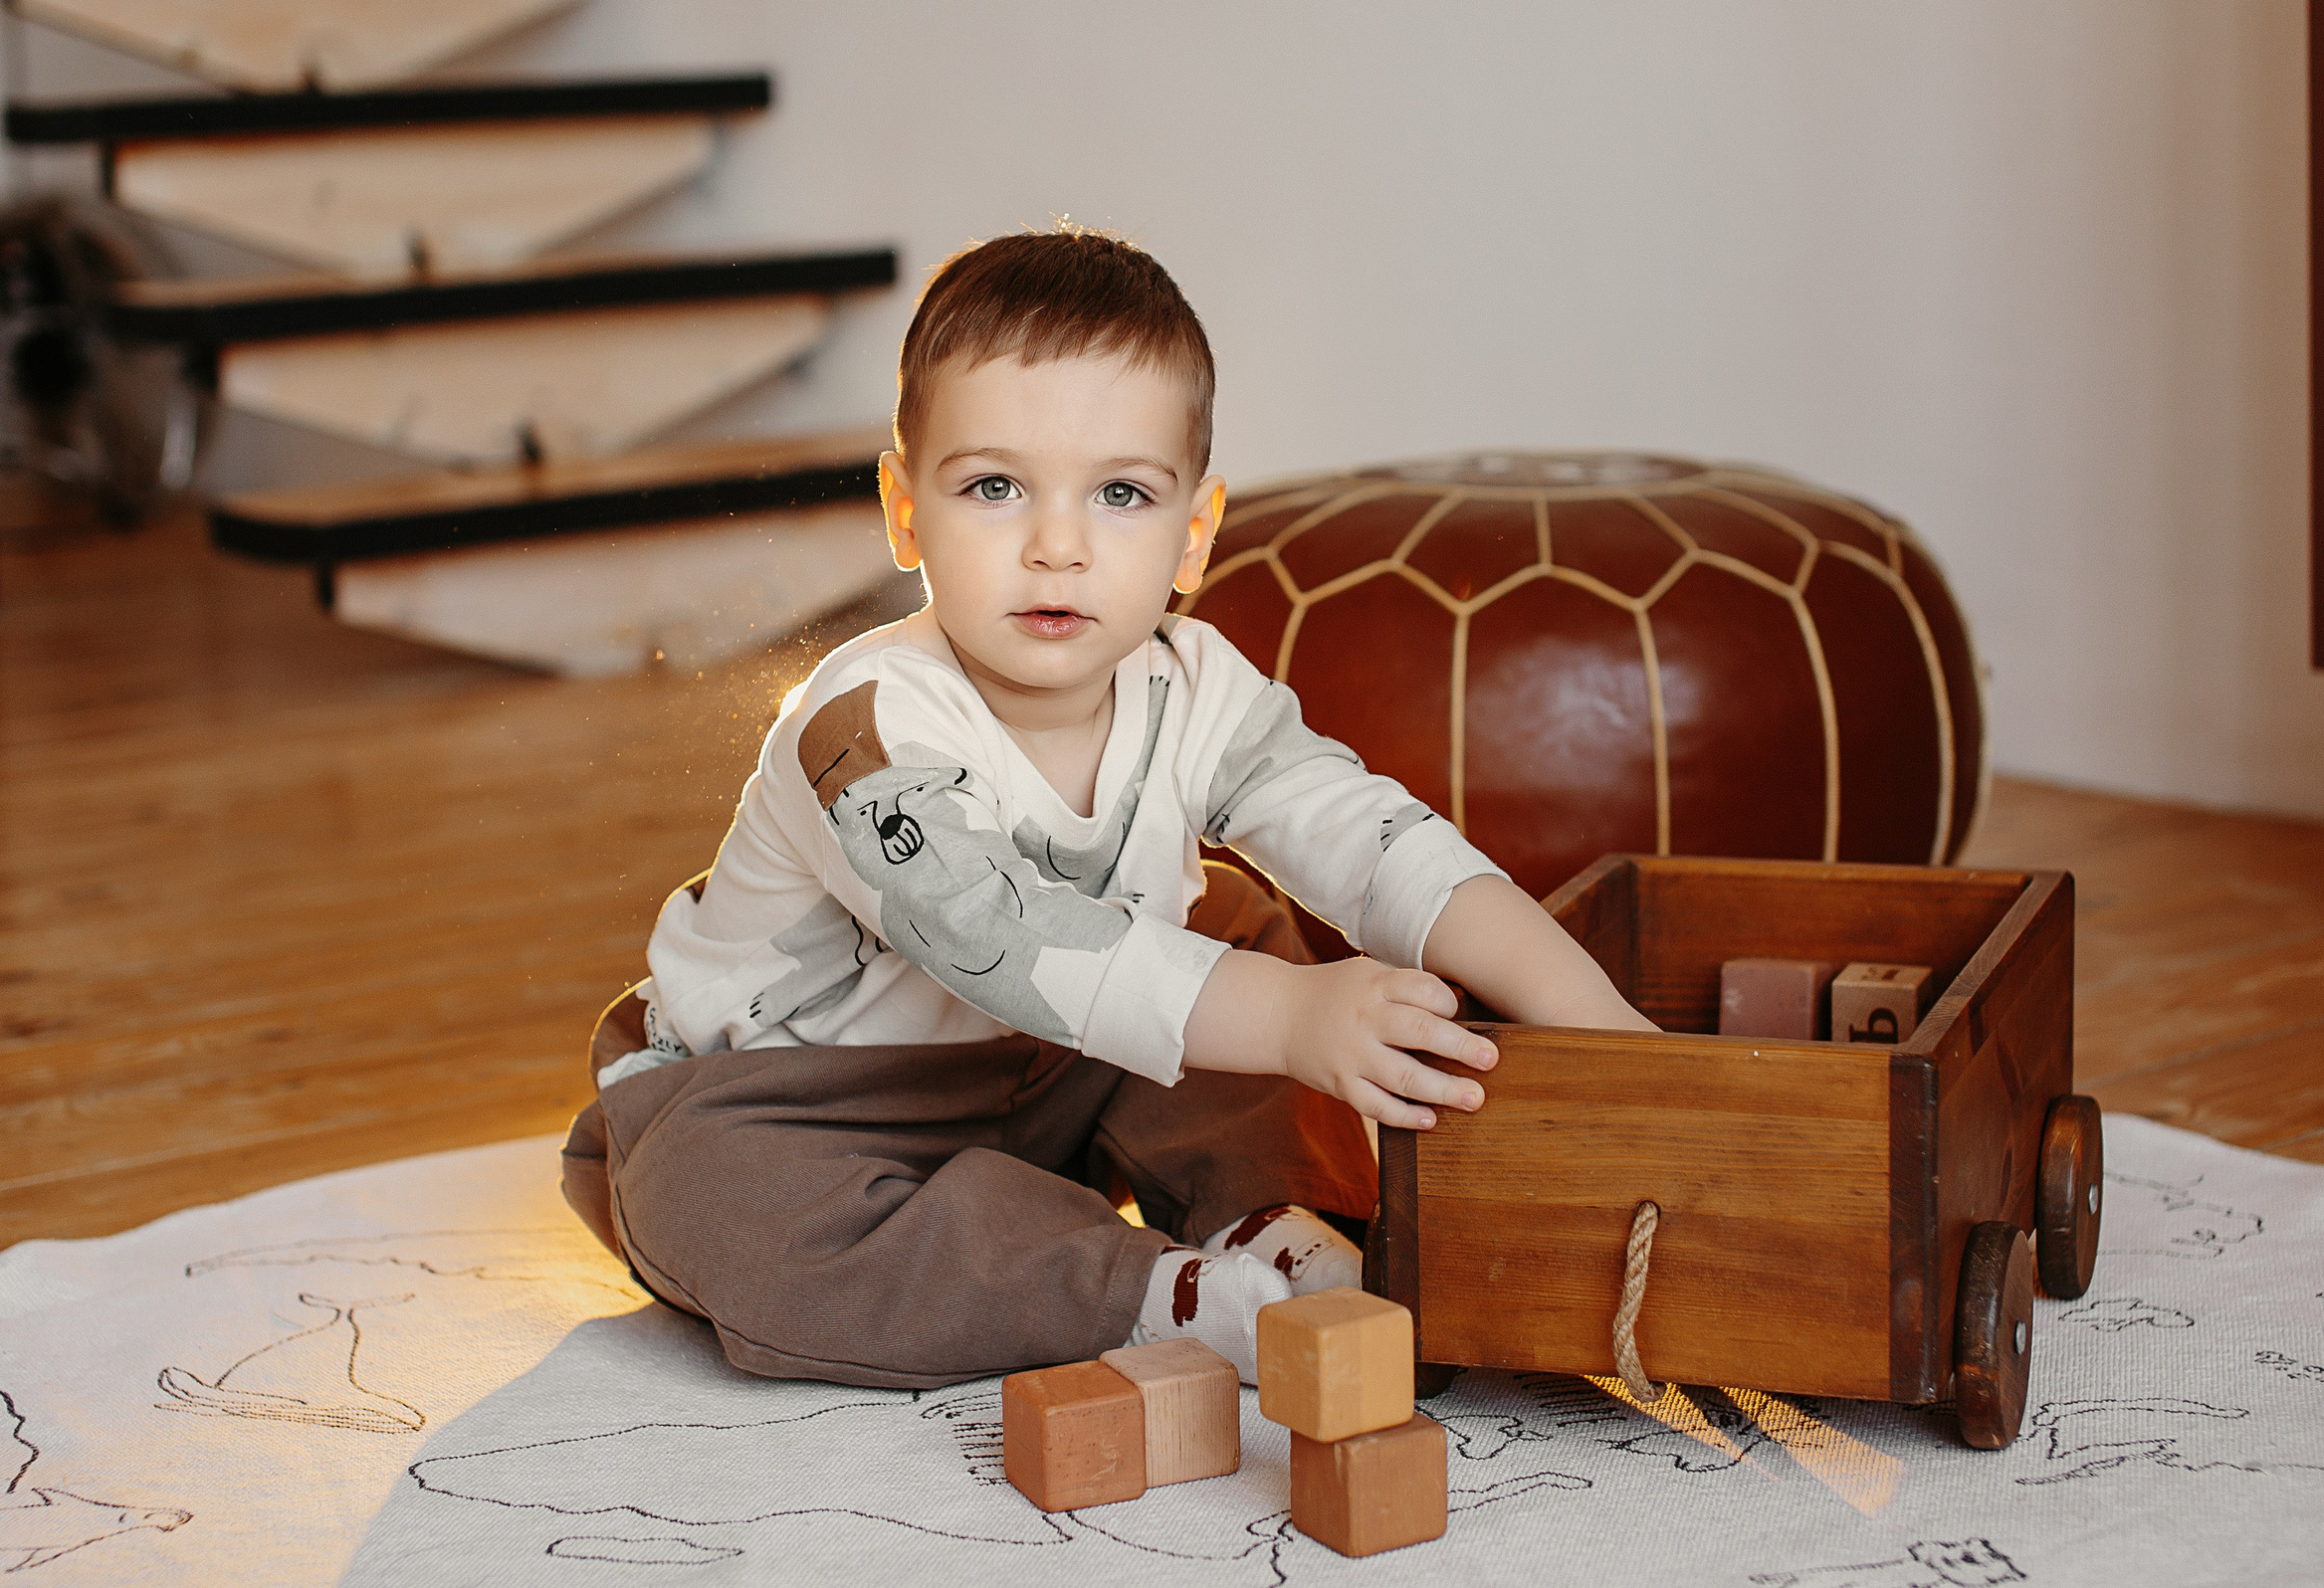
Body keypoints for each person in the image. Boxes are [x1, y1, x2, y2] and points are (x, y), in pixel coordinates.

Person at [561, 228, 1655, 1389]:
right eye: (993, 487)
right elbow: (1003, 941)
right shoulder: (867, 726)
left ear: (1192, 533)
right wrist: (1291, 1018)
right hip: (795, 1105)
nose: (1057, 547)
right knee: (732, 1219)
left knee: (1228, 921)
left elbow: (1373, 842)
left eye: (1121, 494)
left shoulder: (1193, 688)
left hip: (1047, 1079)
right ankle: (1151, 1292)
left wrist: (1609, 1038)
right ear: (902, 511)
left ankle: (1271, 1223)